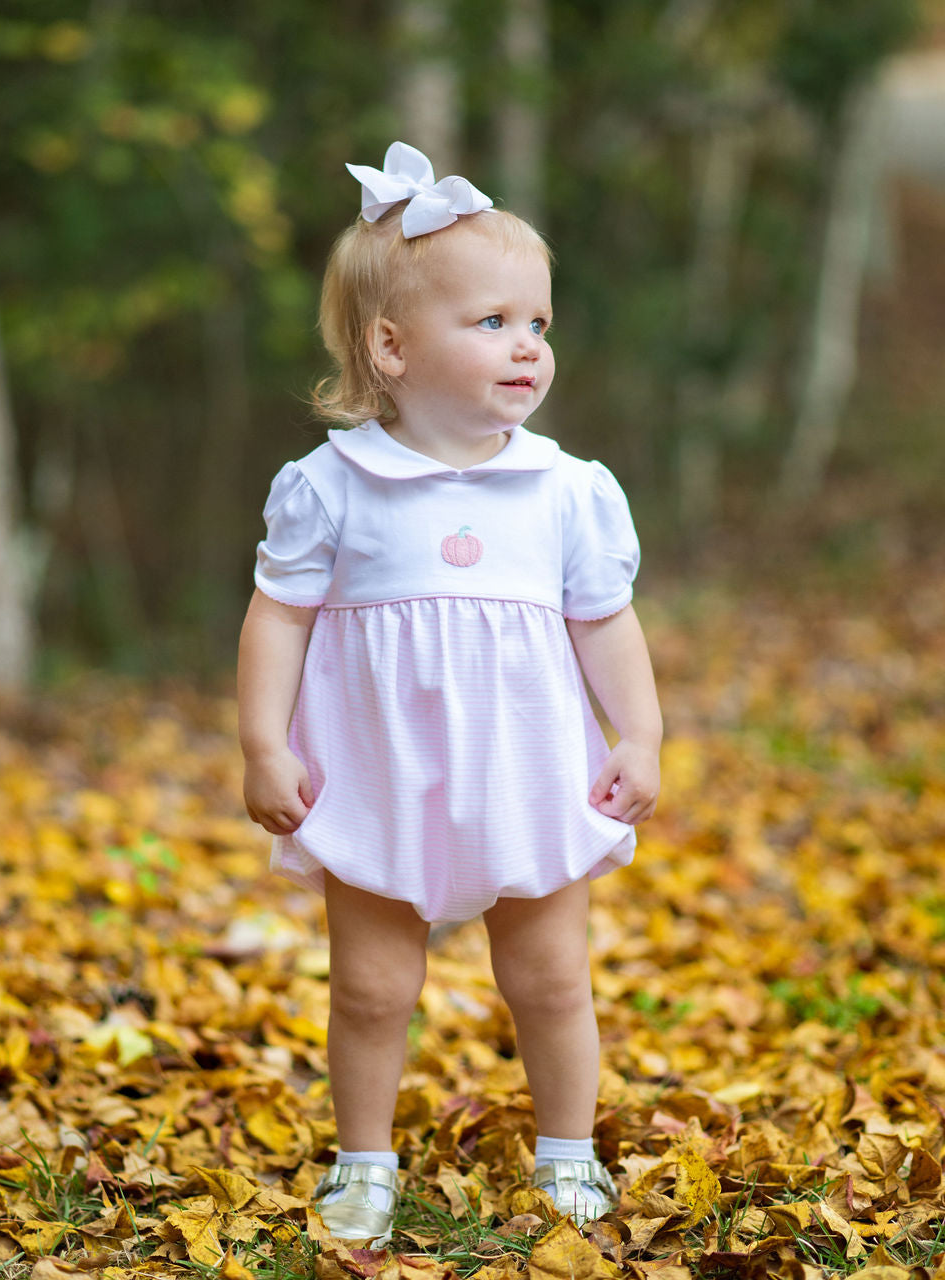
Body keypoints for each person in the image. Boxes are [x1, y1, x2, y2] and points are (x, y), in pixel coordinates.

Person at [238, 142, 662, 1244]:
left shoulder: (565, 490)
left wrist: (641, 731)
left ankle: (568, 1153)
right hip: (378, 775)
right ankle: (364, 1159)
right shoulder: (331, 487)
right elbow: (277, 614)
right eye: (491, 322)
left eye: (538, 323)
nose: (526, 345)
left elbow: (602, 620)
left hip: (525, 773)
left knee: (551, 977)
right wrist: (261, 743)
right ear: (391, 346)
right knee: (373, 987)